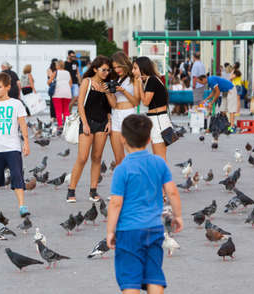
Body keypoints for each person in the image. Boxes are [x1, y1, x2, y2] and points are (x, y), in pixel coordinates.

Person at [106, 114, 183, 294]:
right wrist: (178, 216)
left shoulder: (122, 169)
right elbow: (172, 191)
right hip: (154, 228)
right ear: (149, 139)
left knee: (130, 278)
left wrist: (110, 231)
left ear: (122, 139)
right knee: (153, 274)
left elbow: (116, 204)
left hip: (128, 231)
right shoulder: (158, 163)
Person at [66, 56, 116, 203]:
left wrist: (109, 121)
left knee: (97, 158)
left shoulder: (106, 85)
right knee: (82, 158)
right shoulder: (87, 82)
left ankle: (93, 191)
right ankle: (71, 190)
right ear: (95, 69)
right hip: (88, 122)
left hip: (102, 123)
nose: (106, 72)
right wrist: (85, 123)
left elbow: (109, 107)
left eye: (108, 70)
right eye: (103, 70)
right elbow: (80, 104)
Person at [0, 72, 30, 218]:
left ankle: (22, 206)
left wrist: (26, 143)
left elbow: (23, 124)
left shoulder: (16, 104)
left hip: (13, 147)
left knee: (17, 176)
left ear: (8, 87)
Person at [133, 56, 171, 162]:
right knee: (158, 157)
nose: (133, 71)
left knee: (160, 158)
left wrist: (139, 84)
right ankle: (162, 178)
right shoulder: (152, 79)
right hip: (158, 118)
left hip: (158, 119)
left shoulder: (152, 80)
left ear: (142, 68)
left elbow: (145, 102)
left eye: (135, 68)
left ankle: (166, 179)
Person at [110, 51, 140, 165]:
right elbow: (113, 104)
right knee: (118, 158)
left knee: (132, 154)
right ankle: (122, 182)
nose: (117, 69)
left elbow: (136, 102)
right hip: (116, 114)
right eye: (114, 67)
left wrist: (123, 91)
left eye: (119, 66)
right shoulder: (115, 79)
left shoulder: (134, 78)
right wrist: (108, 92)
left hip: (128, 114)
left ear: (124, 63)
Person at [47, 60, 72, 129]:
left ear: (57, 65)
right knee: (66, 110)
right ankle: (67, 125)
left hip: (57, 93)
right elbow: (70, 83)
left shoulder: (56, 72)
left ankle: (60, 125)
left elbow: (49, 82)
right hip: (67, 93)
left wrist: (52, 85)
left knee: (58, 110)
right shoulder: (68, 72)